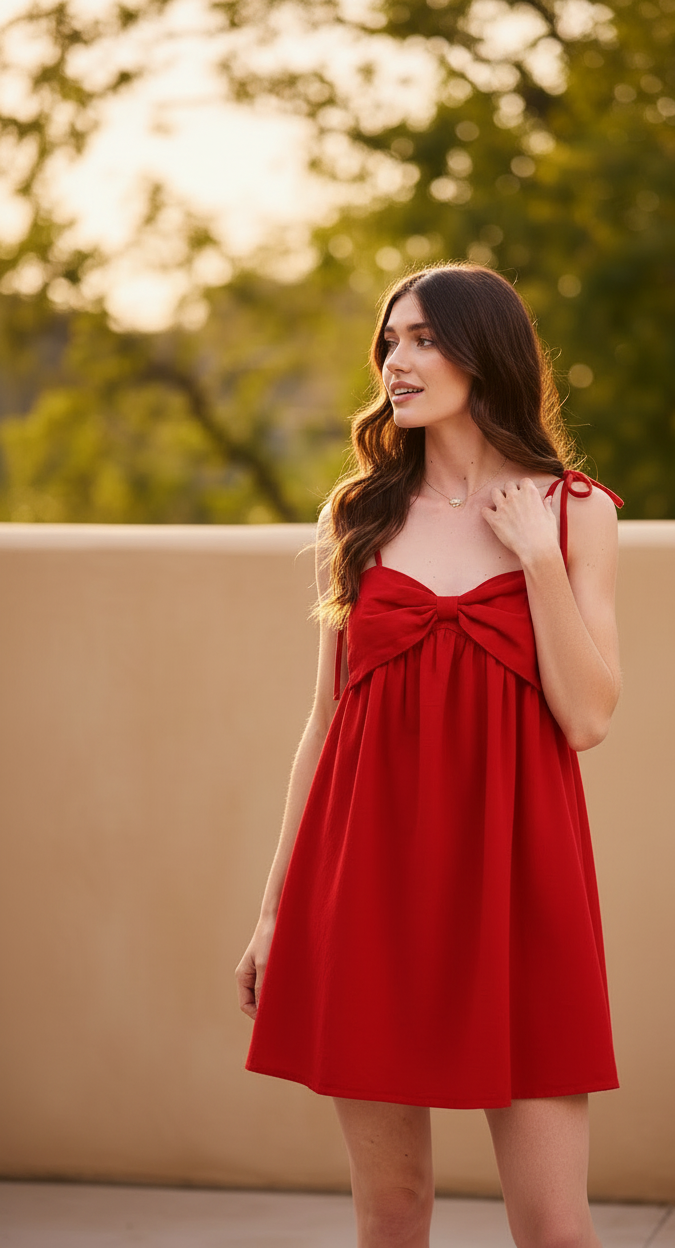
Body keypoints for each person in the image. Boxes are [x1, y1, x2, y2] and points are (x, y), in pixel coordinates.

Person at [236, 262, 623, 1248]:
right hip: (364, 885)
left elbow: (586, 717)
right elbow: (320, 725)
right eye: (389, 342)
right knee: (393, 1214)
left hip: (519, 892)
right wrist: (277, 914)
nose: (395, 362)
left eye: (421, 340)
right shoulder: (357, 516)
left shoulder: (577, 512)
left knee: (555, 1229)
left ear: (482, 354)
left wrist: (536, 555)